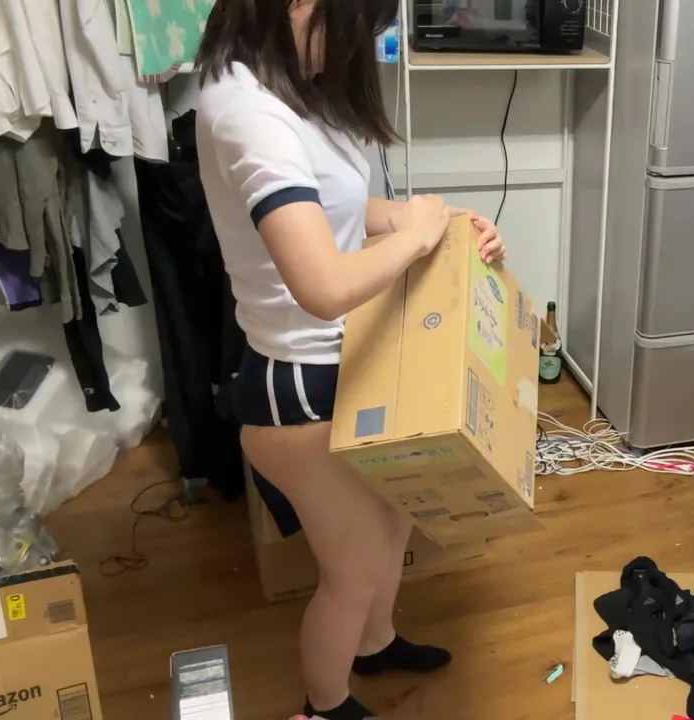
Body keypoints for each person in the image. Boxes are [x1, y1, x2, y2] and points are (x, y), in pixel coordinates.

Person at [193, 2, 507, 718]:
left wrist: (434, 223)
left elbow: (331, 207)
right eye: (357, 23)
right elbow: (324, 285)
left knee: (394, 522)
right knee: (354, 569)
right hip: (297, 389)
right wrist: (416, 235)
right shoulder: (245, 110)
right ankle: (324, 705)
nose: (358, 43)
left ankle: (375, 643)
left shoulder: (284, 87)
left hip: (344, 364)